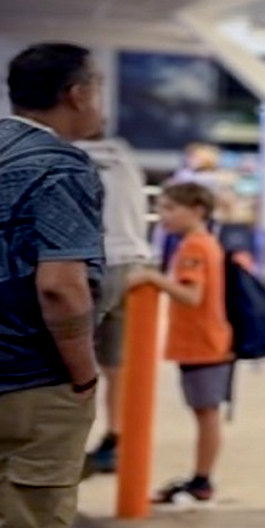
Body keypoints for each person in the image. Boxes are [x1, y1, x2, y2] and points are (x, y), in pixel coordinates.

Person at [0, 43, 106, 528]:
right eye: (98, 88)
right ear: (77, 94)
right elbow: (61, 287)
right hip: (22, 376)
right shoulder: (59, 164)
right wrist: (83, 373)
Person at [129, 182, 233, 505]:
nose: (163, 215)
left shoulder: (194, 247)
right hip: (206, 342)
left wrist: (153, 278)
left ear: (197, 211)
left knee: (206, 414)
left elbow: (191, 296)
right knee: (205, 413)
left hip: (202, 343)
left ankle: (202, 479)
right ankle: (201, 477)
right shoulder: (205, 242)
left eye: (171, 208)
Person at [76, 129, 152, 475]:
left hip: (95, 258)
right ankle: (117, 437)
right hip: (132, 260)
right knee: (116, 362)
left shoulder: (71, 156)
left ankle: (68, 442)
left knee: (71, 355)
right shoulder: (125, 157)